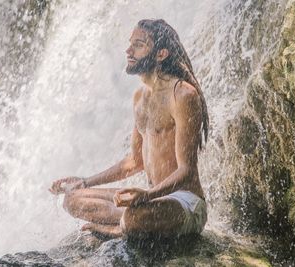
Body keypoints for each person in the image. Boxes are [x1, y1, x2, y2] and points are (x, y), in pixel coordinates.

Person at [49, 19, 209, 238]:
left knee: (135, 217)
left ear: (161, 54)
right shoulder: (140, 97)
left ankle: (123, 227)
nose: (129, 50)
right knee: (72, 199)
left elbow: (187, 169)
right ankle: (126, 223)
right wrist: (84, 181)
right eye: (130, 43)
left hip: (183, 202)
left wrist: (148, 195)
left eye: (139, 44)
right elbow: (135, 161)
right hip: (151, 200)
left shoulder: (183, 95)